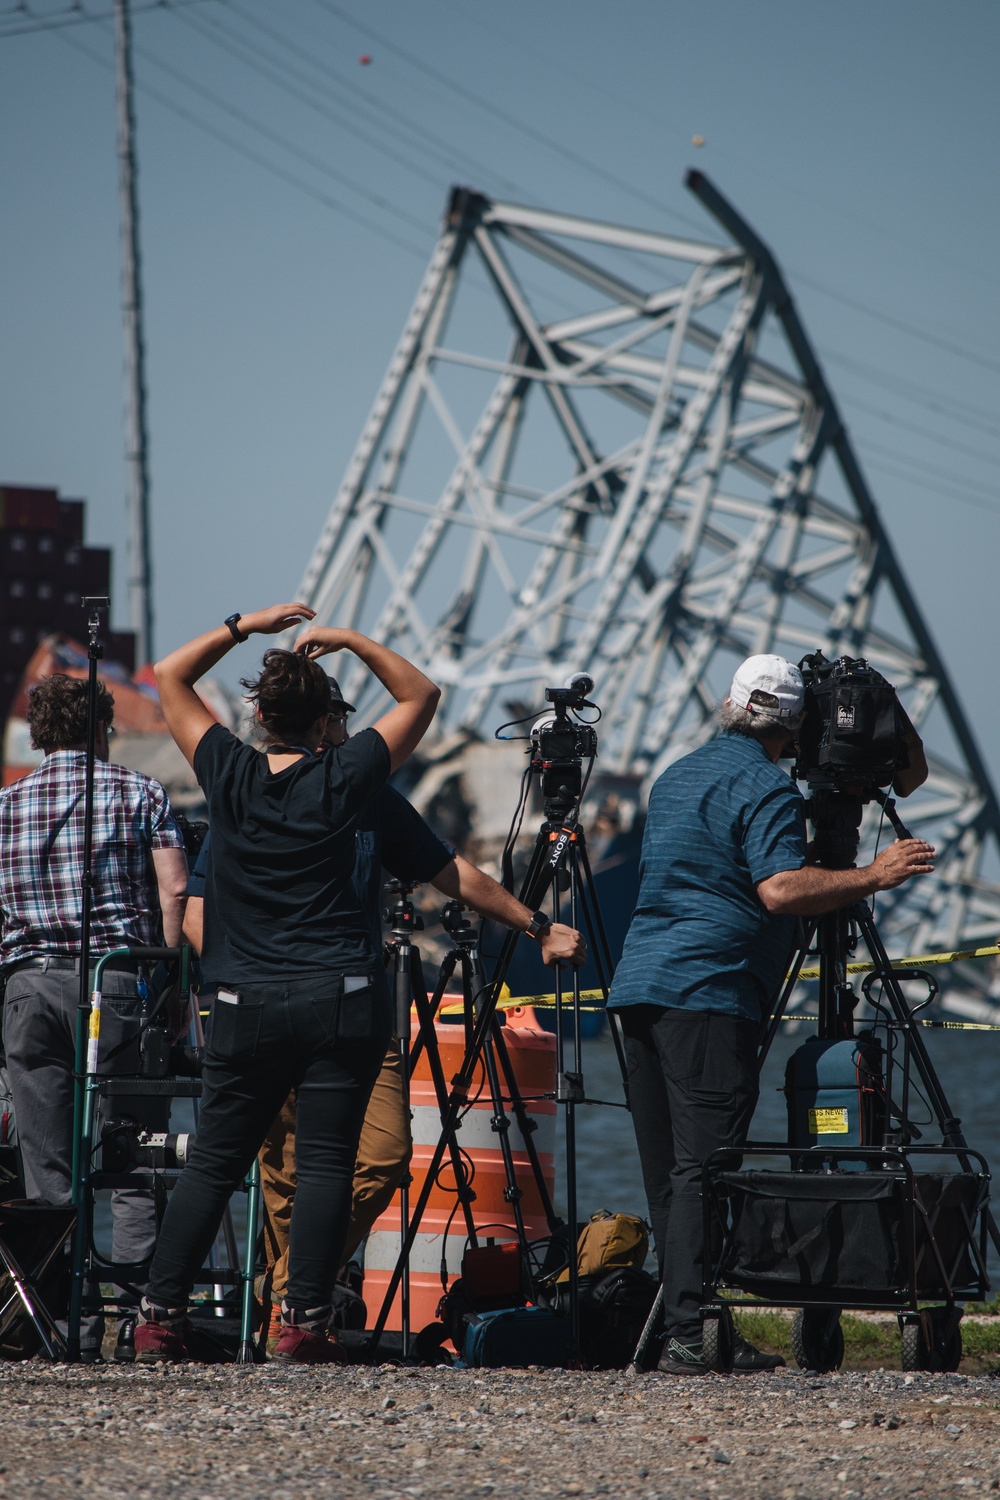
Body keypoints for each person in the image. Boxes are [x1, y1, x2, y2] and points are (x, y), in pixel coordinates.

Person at [182, 678, 587, 1344]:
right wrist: (257, 975)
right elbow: (197, 916)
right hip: (263, 1008)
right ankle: (290, 1313)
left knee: (380, 1157)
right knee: (284, 1177)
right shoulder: (249, 795)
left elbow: (451, 870)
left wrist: (536, 924)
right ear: (318, 724)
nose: (345, 731)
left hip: (350, 1011)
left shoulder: (365, 794)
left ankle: (288, 1291)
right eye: (336, 718)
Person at [607, 654, 933, 1376]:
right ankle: (693, 1335)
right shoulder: (767, 789)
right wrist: (872, 875)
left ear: (730, 705)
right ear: (794, 724)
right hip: (709, 991)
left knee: (670, 1172)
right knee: (704, 1166)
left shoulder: (675, 776)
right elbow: (782, 890)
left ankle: (681, 1324)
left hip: (639, 988)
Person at [134, 605, 441, 1365]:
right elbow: (421, 695)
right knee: (329, 1161)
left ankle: (158, 1316)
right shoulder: (348, 774)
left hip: (243, 1000)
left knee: (215, 1159)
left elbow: (169, 673)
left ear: (259, 714)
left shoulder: (228, 770)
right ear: (320, 720)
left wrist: (243, 626)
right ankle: (302, 1322)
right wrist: (351, 639)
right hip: (339, 998)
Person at [0, 673, 189, 1361]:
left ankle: (63, 1329)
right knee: (133, 1158)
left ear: (38, 733)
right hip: (115, 987)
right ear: (103, 728)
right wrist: (170, 978)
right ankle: (142, 1323)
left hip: (28, 990)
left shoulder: (7, 804)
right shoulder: (139, 793)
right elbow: (174, 888)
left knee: (45, 1170)